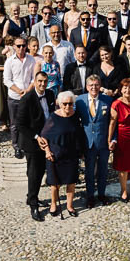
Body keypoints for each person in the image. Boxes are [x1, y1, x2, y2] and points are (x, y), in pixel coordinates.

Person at [16, 71, 54, 221]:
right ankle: (33, 204)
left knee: (41, 172)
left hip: (46, 139)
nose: (42, 84)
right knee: (33, 173)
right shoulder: (27, 99)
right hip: (31, 141)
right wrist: (37, 137)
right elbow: (20, 124)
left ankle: (32, 196)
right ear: (34, 81)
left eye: (44, 81)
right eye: (39, 81)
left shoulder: (50, 94)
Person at [40, 90, 83, 218]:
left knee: (71, 182)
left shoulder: (76, 116)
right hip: (55, 155)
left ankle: (70, 205)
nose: (67, 107)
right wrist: (47, 151)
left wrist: (80, 152)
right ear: (59, 103)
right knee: (55, 184)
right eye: (64, 104)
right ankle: (54, 204)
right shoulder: (53, 117)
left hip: (71, 155)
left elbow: (79, 135)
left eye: (70, 104)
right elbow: (43, 136)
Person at [74, 75, 113, 208]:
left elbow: (113, 122)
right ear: (87, 87)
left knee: (103, 171)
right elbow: (74, 121)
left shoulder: (107, 100)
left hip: (103, 142)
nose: (94, 87)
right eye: (91, 85)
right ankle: (90, 196)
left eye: (96, 85)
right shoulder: (80, 101)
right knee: (89, 172)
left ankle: (101, 194)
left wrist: (112, 139)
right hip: (88, 142)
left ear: (100, 85)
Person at [4, 37, 36, 159]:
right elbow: (7, 80)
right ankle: (16, 146)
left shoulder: (31, 59)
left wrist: (27, 90)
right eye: (18, 46)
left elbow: (34, 77)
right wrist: (19, 91)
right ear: (14, 46)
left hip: (28, 95)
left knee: (28, 121)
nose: (21, 48)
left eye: (23, 45)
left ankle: (26, 144)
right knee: (14, 123)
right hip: (14, 96)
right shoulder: (9, 61)